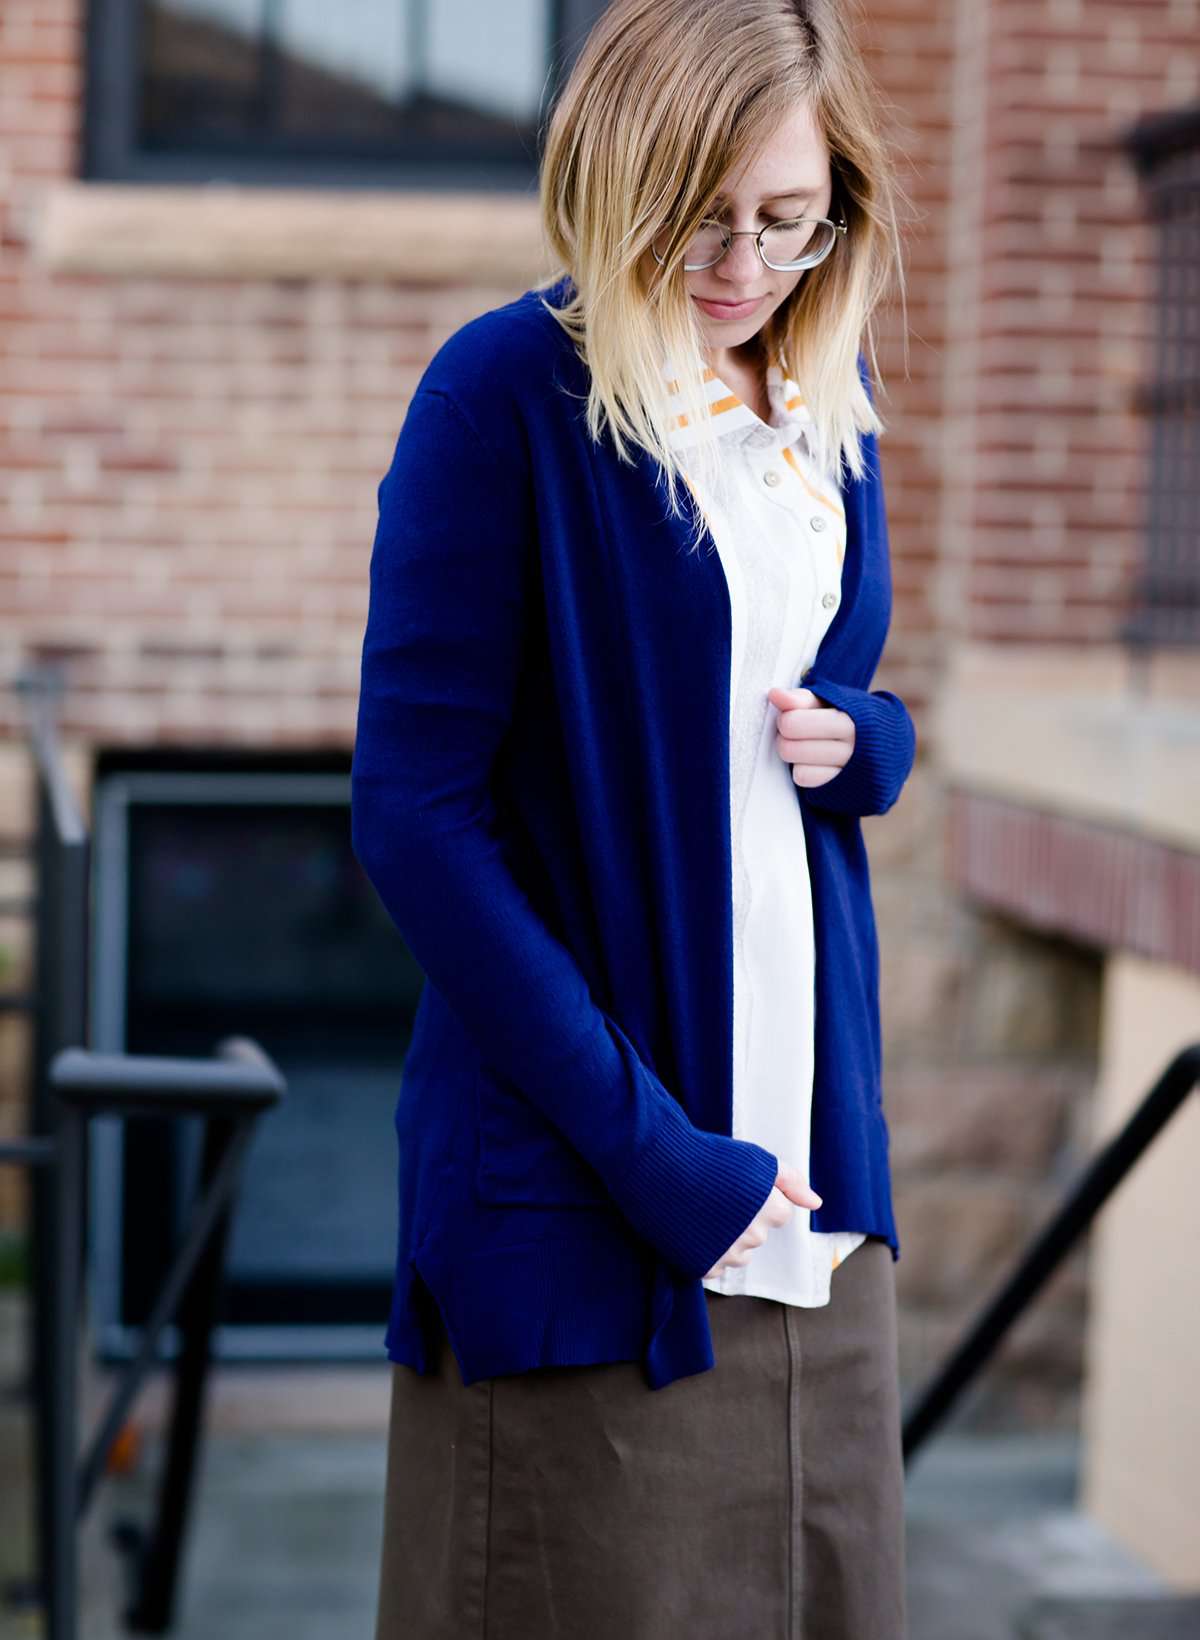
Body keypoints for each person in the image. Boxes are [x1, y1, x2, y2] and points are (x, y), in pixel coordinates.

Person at [351, 1, 917, 1635]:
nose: (746, 263)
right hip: (599, 1212)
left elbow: (795, 705)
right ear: (613, 176)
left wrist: (871, 746)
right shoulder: (505, 395)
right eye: (702, 216)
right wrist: (661, 1159)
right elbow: (415, 816)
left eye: (790, 220)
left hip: (815, 1207)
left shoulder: (825, 396)